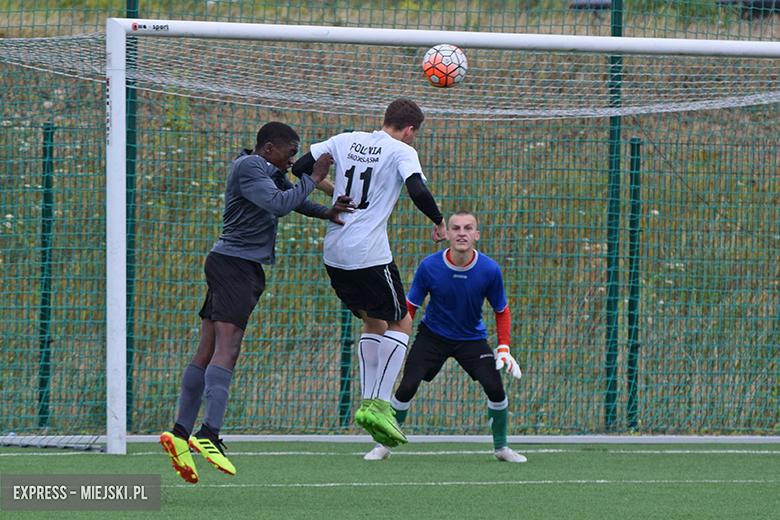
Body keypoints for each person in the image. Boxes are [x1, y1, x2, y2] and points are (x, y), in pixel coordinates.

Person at [160, 122, 354, 484]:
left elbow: (292, 199)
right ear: (268, 148)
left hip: (230, 263)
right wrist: (315, 175)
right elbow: (279, 205)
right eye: (290, 152)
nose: (293, 159)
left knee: (207, 347)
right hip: (236, 265)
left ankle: (179, 433)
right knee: (227, 349)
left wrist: (325, 211)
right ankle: (209, 434)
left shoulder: (264, 169)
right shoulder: (249, 166)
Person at [292, 98, 448, 448]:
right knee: (401, 321)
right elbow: (417, 189)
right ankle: (378, 403)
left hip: (335, 252)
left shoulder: (346, 139)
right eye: (414, 134)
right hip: (369, 253)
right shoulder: (400, 150)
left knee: (373, 322)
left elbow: (301, 168)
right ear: (410, 129)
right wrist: (438, 222)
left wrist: (333, 192)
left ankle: (366, 403)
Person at [363, 211, 527, 463]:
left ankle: (502, 448)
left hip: (472, 339)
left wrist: (503, 346)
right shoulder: (429, 266)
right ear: (447, 234)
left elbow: (501, 310)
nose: (462, 233)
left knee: (495, 387)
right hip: (433, 337)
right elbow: (410, 306)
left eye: (468, 228)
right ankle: (383, 445)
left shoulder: (490, 269)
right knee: (407, 386)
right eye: (457, 228)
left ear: (477, 235)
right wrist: (398, 339)